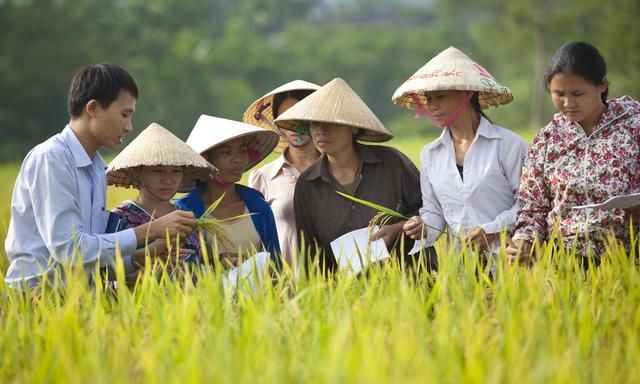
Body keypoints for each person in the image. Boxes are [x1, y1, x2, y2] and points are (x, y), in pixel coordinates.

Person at [4, 63, 196, 290]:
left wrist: (143, 256)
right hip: (38, 299)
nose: (128, 127)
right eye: (124, 115)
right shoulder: (52, 159)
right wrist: (151, 230)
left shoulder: (96, 168)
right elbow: (70, 250)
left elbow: (90, 257)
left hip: (81, 299)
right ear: (93, 108)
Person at [275, 77, 430, 274]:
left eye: (330, 123)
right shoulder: (307, 185)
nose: (321, 131)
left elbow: (431, 213)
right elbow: (311, 257)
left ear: (353, 126)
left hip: (409, 284)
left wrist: (398, 228)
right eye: (314, 124)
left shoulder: (392, 164)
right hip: (348, 295)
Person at [392, 46, 528, 268]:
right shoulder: (430, 154)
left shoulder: (508, 145)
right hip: (462, 268)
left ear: (467, 93)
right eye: (429, 98)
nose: (433, 106)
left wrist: (492, 230)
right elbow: (434, 212)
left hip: (511, 262)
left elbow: (528, 204)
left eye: (441, 96)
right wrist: (422, 225)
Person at [507, 42, 640, 264]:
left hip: (627, 259)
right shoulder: (547, 140)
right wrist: (523, 242)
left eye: (578, 93)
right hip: (563, 261)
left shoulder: (633, 128)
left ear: (602, 85)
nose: (568, 103)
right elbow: (533, 206)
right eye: (559, 94)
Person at [106, 122, 215, 283]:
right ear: (138, 173)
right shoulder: (119, 220)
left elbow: (206, 274)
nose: (168, 180)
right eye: (157, 170)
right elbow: (107, 281)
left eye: (176, 171)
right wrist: (152, 269)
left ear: (183, 176)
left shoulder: (189, 220)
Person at [174, 114, 282, 270]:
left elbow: (277, 265)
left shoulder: (258, 206)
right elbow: (179, 271)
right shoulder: (183, 212)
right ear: (205, 160)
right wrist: (216, 265)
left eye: (242, 150)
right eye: (226, 152)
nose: (237, 159)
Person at [244, 80, 321, 267]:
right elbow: (254, 238)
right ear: (277, 124)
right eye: (286, 118)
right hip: (286, 284)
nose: (294, 126)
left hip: (339, 279)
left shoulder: (337, 168)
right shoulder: (263, 178)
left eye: (300, 116)